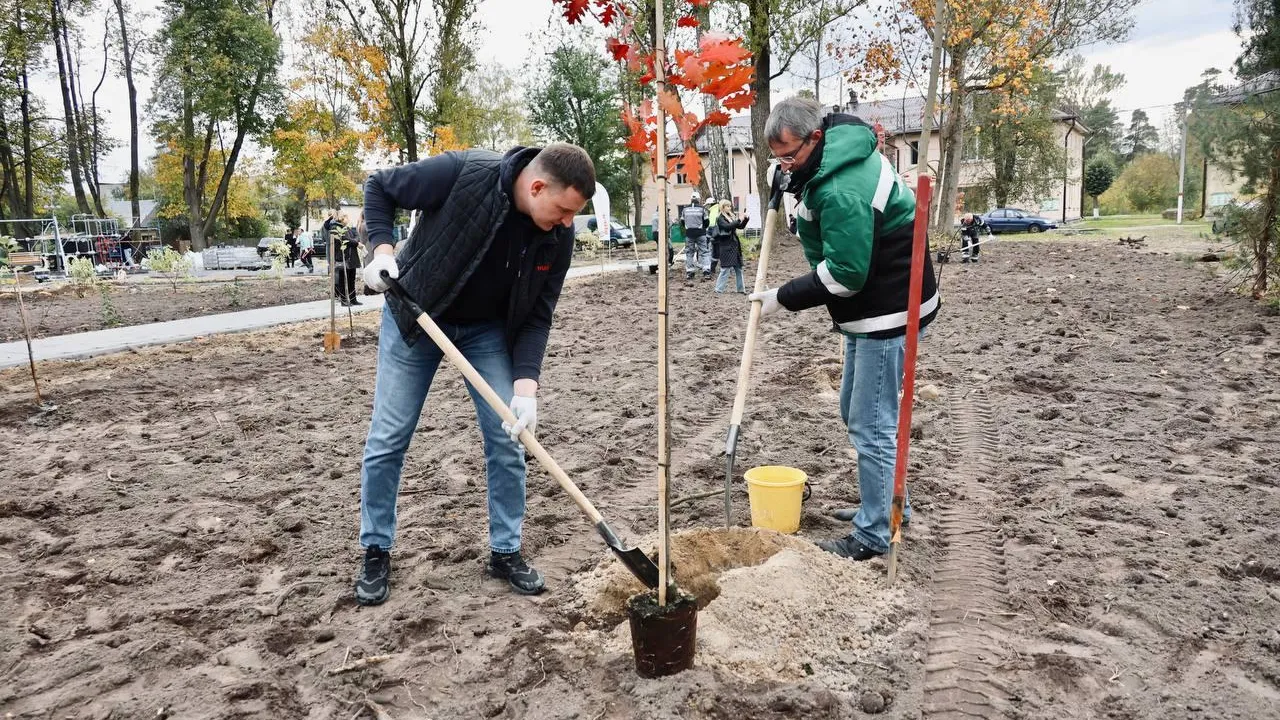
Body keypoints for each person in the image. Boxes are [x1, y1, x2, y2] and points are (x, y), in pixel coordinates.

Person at [353, 142, 596, 605]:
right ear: (537, 185)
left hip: (485, 330)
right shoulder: (464, 171)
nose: (567, 223)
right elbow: (379, 187)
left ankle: (506, 551)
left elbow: (537, 315)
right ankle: (375, 548)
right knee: (389, 436)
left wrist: (526, 388)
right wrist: (382, 250)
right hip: (417, 314)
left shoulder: (557, 236)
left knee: (509, 437)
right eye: (564, 210)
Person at [751, 96, 939, 562]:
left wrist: (784, 297)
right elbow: (816, 210)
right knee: (855, 408)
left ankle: (875, 531)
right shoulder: (834, 153)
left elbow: (847, 273)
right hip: (874, 306)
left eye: (790, 154)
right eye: (777, 157)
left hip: (886, 308)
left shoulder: (842, 188)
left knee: (871, 421)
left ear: (816, 137)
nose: (785, 163)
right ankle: (891, 505)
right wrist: (788, 177)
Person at [713, 201, 749, 294]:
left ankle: (741, 289)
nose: (729, 207)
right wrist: (739, 219)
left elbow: (739, 226)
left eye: (730, 206)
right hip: (726, 245)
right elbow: (728, 227)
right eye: (727, 206)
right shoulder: (720, 218)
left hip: (734, 245)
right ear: (722, 207)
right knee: (725, 269)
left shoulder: (731, 217)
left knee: (739, 268)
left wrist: (745, 219)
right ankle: (718, 289)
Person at [330, 214, 360, 306]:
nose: (349, 219)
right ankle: (343, 300)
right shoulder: (336, 229)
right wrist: (355, 242)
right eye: (347, 217)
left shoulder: (347, 228)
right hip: (344, 257)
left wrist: (354, 241)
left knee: (352, 279)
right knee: (343, 280)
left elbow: (356, 236)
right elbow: (345, 240)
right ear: (343, 219)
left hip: (352, 257)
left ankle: (353, 299)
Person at [681, 192, 711, 281]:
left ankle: (690, 273)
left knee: (689, 253)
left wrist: (688, 228)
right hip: (701, 234)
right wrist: (702, 228)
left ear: (691, 199)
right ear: (698, 199)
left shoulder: (685, 209)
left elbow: (682, 221)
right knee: (704, 252)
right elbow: (707, 221)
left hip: (689, 234)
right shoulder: (702, 209)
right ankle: (706, 272)